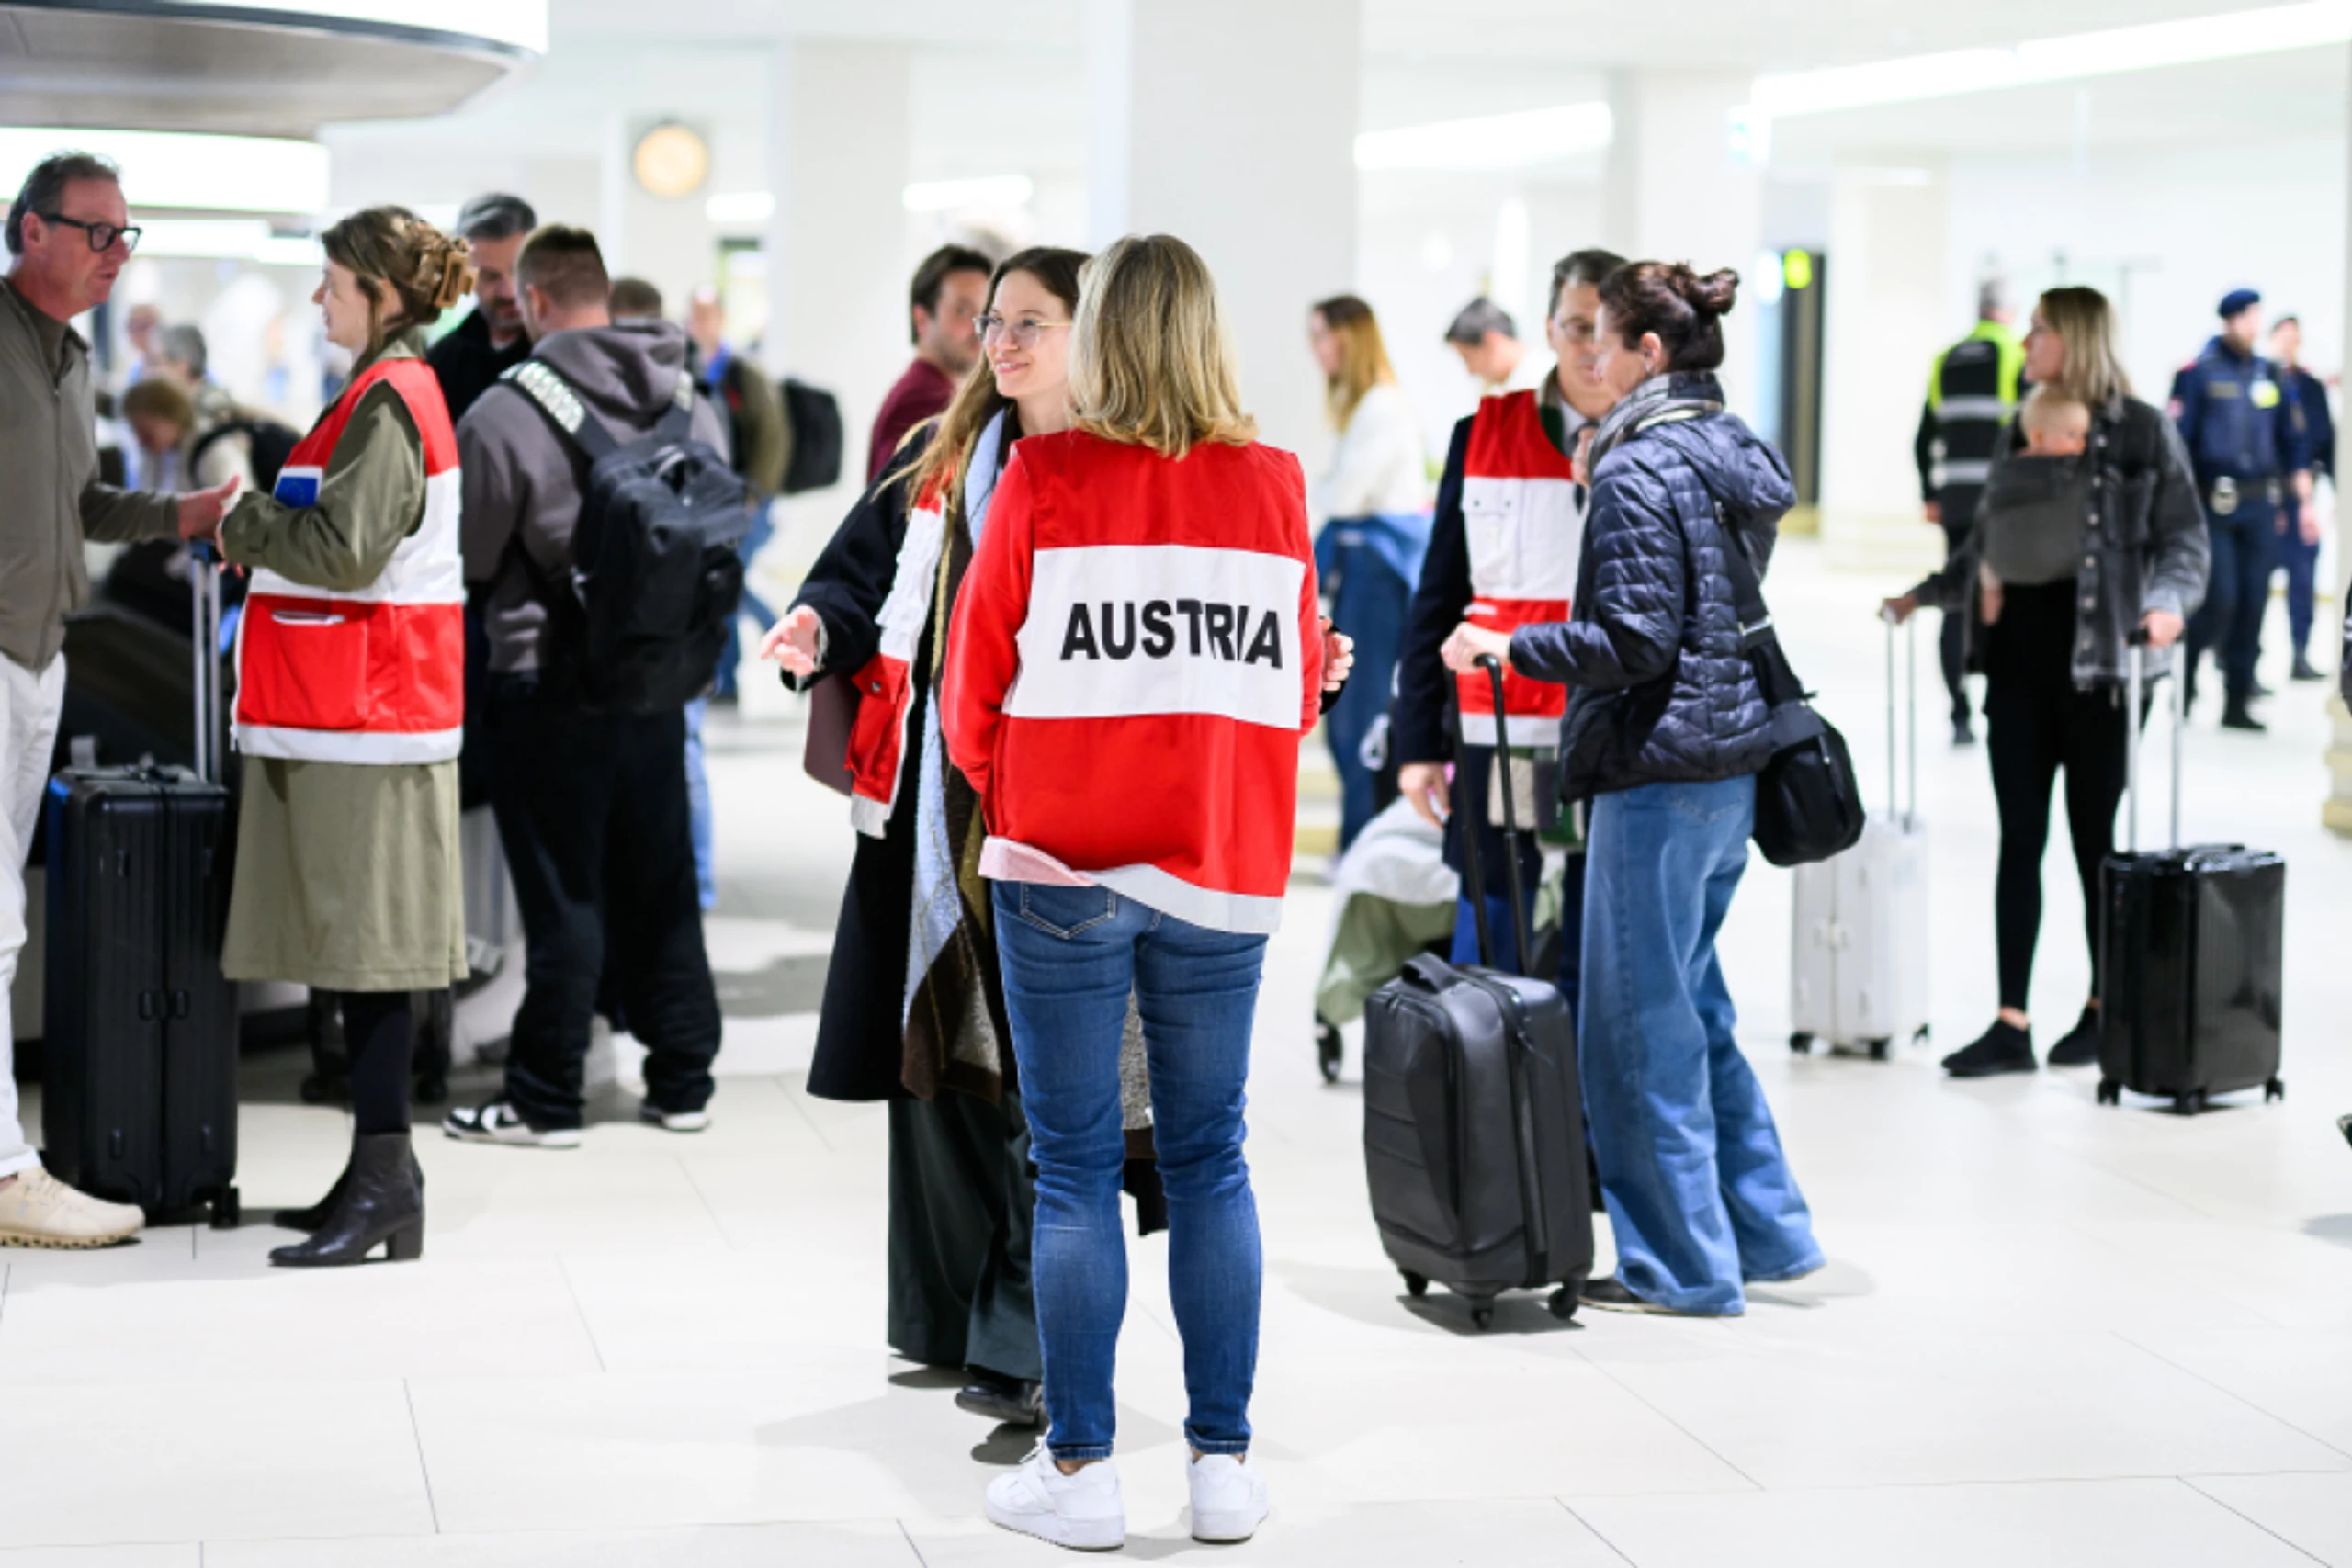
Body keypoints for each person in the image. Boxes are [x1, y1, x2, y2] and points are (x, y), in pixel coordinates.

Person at [943, 233, 1342, 1550]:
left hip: (1062, 866)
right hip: (1220, 869)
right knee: (1210, 1158)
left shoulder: (1049, 477)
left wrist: (1032, 787)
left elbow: (968, 701)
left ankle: (1084, 1468)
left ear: (1104, 333)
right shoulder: (1273, 486)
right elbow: (1291, 695)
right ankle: (1222, 1467)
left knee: (1070, 1171)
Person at [1441, 259, 1820, 1317]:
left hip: (1655, 776)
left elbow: (1636, 639)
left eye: (1602, 339)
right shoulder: (1727, 449)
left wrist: (1509, 650)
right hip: (1727, 771)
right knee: (1693, 1011)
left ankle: (1683, 1269)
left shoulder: (1637, 466)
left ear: (1651, 353)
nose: (1586, 358)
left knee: (1635, 1034)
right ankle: (1765, 1233)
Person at [761, 245, 1090, 1434]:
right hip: (930, 804)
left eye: (1028, 322)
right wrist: (814, 624)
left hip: (1058, 809)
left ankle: (1024, 1328)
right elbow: (853, 582)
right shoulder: (942, 453)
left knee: (1035, 1072)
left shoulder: (1118, 469)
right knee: (939, 1063)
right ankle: (951, 1312)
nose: (997, 342)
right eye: (990, 320)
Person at [213, 205, 473, 1267]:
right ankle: (376, 1176)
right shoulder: (384, 391)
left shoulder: (390, 400)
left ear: (381, 293)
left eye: (332, 282)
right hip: (353, 716)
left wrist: (242, 524)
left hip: (371, 716)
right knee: (353, 952)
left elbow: (348, 549)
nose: (318, 299)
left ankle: (385, 1179)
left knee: (368, 957)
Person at [443, 225, 728, 1148]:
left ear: (532, 302)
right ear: (603, 293)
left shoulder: (503, 410)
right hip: (659, 681)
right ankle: (682, 1081)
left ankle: (544, 1098)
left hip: (546, 684)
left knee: (564, 897)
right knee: (662, 884)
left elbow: (472, 557)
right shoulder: (692, 398)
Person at [0, 151, 237, 1248]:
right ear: (29, 231)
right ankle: (8, 1176)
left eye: (125, 234)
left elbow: (82, 502)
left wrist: (181, 515)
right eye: (96, 231)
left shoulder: (72, 355)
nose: (115, 254)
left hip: (41, 658)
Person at [1885, 285, 2208, 1077]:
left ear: (2075, 337)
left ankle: (2106, 1009)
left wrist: (2166, 610)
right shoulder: (2017, 427)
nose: (2025, 345)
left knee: (2094, 841)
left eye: (2038, 332)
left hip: (2103, 666)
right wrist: (1926, 595)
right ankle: (2011, 1021)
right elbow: (1988, 541)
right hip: (2018, 662)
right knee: (2019, 837)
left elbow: (2186, 541)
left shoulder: (2141, 431)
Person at [1396, 248, 1623, 1005]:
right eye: (1578, 325)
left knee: (1606, 932)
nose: (1593, 346)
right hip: (1512, 739)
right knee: (1501, 927)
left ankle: (1589, 1117)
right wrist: (1418, 741)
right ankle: (1500, 1108)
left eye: (1611, 328)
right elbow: (1439, 593)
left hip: (1618, 738)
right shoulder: (1484, 435)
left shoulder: (1658, 443)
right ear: (1550, 330)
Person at [1307, 292, 1428, 852]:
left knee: (1362, 714)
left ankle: (1363, 839)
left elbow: (1345, 495)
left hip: (1376, 575)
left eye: (1322, 336)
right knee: (1353, 711)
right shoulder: (1365, 407)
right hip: (1363, 572)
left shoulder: (1381, 406)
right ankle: (1361, 837)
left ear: (1349, 339)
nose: (1316, 351)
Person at [2173, 288, 2312, 730]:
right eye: (2247, 318)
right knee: (2221, 598)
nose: (2253, 326)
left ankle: (2237, 698)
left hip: (2259, 504)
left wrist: (2301, 491)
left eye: (2257, 318)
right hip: (2214, 503)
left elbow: (2292, 440)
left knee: (2254, 600)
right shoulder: (2198, 373)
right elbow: (2179, 444)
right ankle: (2189, 680)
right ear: (2229, 321)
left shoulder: (2270, 374)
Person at [1914, 279, 2025, 746]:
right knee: (2009, 600)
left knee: (1957, 600)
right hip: (2002, 503)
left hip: (1957, 499)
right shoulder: (2015, 356)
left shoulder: (1947, 358)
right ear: (2009, 311)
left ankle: (1959, 715)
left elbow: (1923, 438)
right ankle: (2001, 700)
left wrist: (1931, 493)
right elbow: (2024, 430)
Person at [869, 243, 992, 482]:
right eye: (962, 310)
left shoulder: (925, 391)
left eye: (985, 311)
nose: (979, 326)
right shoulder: (923, 401)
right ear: (922, 319)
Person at [425, 192, 537, 423]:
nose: (508, 292)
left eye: (518, 272)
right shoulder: (443, 362)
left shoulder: (556, 352)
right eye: (489, 277)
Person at [2271, 314, 2335, 682]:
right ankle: (2237, 663)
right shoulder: (2263, 380)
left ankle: (2300, 652)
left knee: (2303, 577)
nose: (2289, 345)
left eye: (2295, 339)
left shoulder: (2311, 387)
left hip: (2304, 496)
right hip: (2265, 496)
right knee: (2251, 581)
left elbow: (2326, 441)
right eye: (2283, 338)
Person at [1442, 296, 1536, 394]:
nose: (1470, 370)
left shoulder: (1541, 385)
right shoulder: (1509, 390)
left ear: (1491, 340)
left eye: (1467, 358)